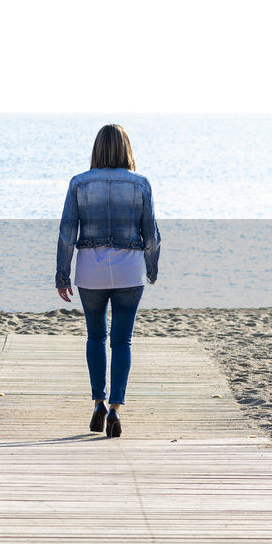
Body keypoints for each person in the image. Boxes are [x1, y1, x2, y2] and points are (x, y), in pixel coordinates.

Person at [55, 124, 160, 438]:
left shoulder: (79, 183)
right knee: (122, 340)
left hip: (91, 269)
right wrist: (152, 269)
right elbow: (151, 235)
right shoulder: (140, 183)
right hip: (129, 269)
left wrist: (62, 274)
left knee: (96, 337)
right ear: (127, 149)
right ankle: (115, 408)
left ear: (96, 149)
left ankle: (98, 402)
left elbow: (66, 234)